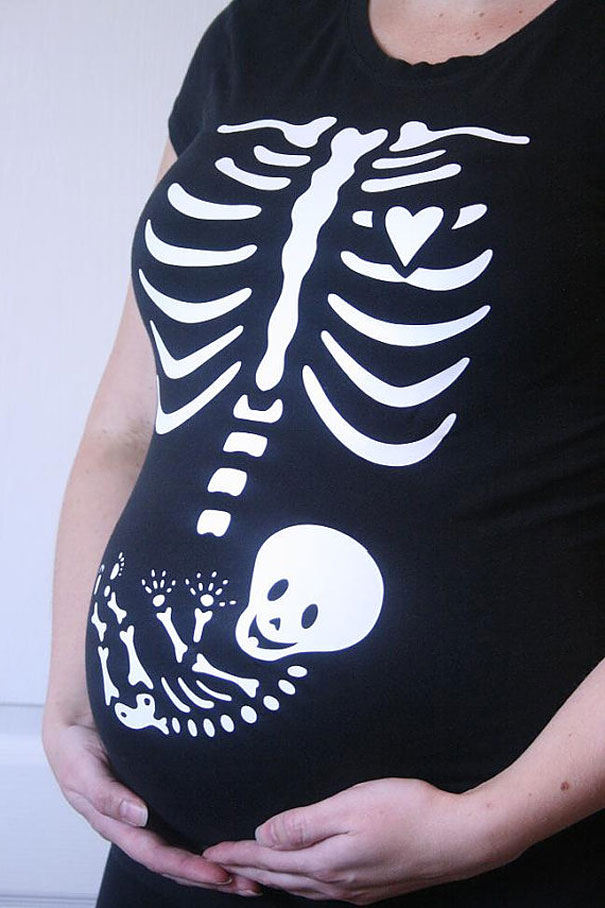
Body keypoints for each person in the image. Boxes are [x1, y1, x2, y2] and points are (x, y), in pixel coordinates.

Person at [42, 0, 604, 905]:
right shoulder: (256, 34)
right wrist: (74, 695)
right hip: (172, 850)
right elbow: (128, 427)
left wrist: (493, 823)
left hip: (500, 859)